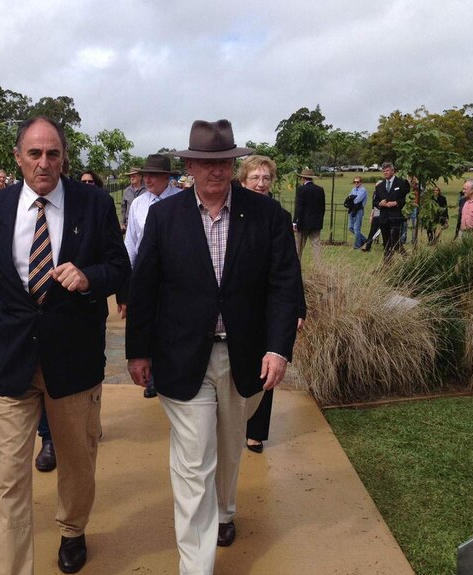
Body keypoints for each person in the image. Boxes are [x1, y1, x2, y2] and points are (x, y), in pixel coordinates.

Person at [126, 119, 302, 573]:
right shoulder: (165, 217)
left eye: (223, 162)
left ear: (234, 165)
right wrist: (138, 351)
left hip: (245, 355)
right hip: (182, 356)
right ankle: (195, 565)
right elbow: (144, 288)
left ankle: (224, 511)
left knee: (228, 446)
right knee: (194, 459)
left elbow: (285, 286)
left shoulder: (267, 217)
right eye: (205, 163)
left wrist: (279, 349)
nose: (215, 171)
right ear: (189, 165)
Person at [0, 116, 130, 575]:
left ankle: (73, 529)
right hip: (11, 362)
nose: (43, 163)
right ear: (17, 158)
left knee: (77, 464)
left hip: (73, 362)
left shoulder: (93, 204)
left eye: (53, 153)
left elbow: (120, 266)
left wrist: (89, 276)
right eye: (34, 153)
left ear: (64, 157)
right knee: (8, 478)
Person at [235, 155, 307, 454]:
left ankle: (255, 431)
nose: (261, 183)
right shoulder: (231, 214)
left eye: (266, 178)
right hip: (237, 305)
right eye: (256, 178)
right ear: (243, 181)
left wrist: (297, 308)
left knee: (265, 368)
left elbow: (290, 269)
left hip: (270, 305)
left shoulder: (278, 215)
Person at [122, 154, 181, 399]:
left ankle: (175, 373)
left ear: (167, 177)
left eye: (153, 175)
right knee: (150, 325)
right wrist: (128, 284)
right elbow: (132, 244)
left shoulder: (181, 200)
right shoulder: (139, 204)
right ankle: (153, 378)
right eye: (145, 175)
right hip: (148, 277)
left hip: (176, 277)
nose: (147, 179)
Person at [372, 162, 409, 263]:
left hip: (396, 217)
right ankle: (387, 262)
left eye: (387, 170)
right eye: (384, 171)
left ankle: (406, 257)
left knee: (395, 240)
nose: (385, 173)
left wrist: (395, 203)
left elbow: (406, 199)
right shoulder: (380, 186)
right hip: (384, 218)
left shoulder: (401, 183)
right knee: (386, 242)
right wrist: (380, 203)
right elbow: (374, 202)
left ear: (393, 170)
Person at [292, 168, 325, 264]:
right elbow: (322, 207)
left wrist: (295, 221)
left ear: (302, 178)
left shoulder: (301, 189)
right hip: (316, 222)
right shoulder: (320, 190)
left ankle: (296, 265)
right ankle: (318, 265)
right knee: (316, 245)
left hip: (303, 223)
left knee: (299, 246)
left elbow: (299, 207)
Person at [120, 168, 146, 232]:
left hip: (143, 224)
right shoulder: (126, 191)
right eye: (130, 176)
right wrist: (122, 223)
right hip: (130, 224)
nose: (131, 178)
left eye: (134, 176)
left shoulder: (147, 190)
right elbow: (123, 208)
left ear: (140, 177)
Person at [347, 177, 368, 249]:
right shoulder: (353, 189)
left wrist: (351, 198)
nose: (356, 183)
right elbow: (349, 198)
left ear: (361, 182)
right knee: (350, 227)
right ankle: (364, 239)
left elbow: (357, 200)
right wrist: (351, 198)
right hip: (352, 209)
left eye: (358, 182)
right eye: (355, 182)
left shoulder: (363, 191)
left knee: (356, 228)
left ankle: (357, 245)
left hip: (359, 210)